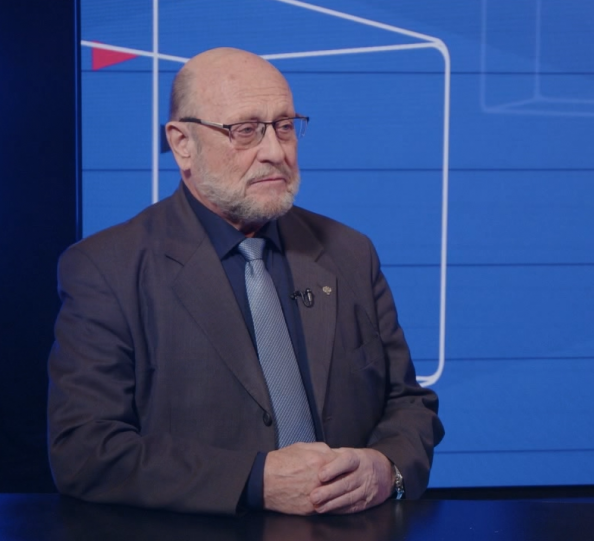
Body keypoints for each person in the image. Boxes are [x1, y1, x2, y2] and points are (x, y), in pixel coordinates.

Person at [47, 47, 444, 516]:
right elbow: (85, 450)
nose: (275, 152)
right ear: (182, 143)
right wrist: (255, 481)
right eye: (246, 130)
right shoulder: (106, 268)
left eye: (284, 126)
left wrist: (387, 469)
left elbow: (409, 404)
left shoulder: (350, 253)